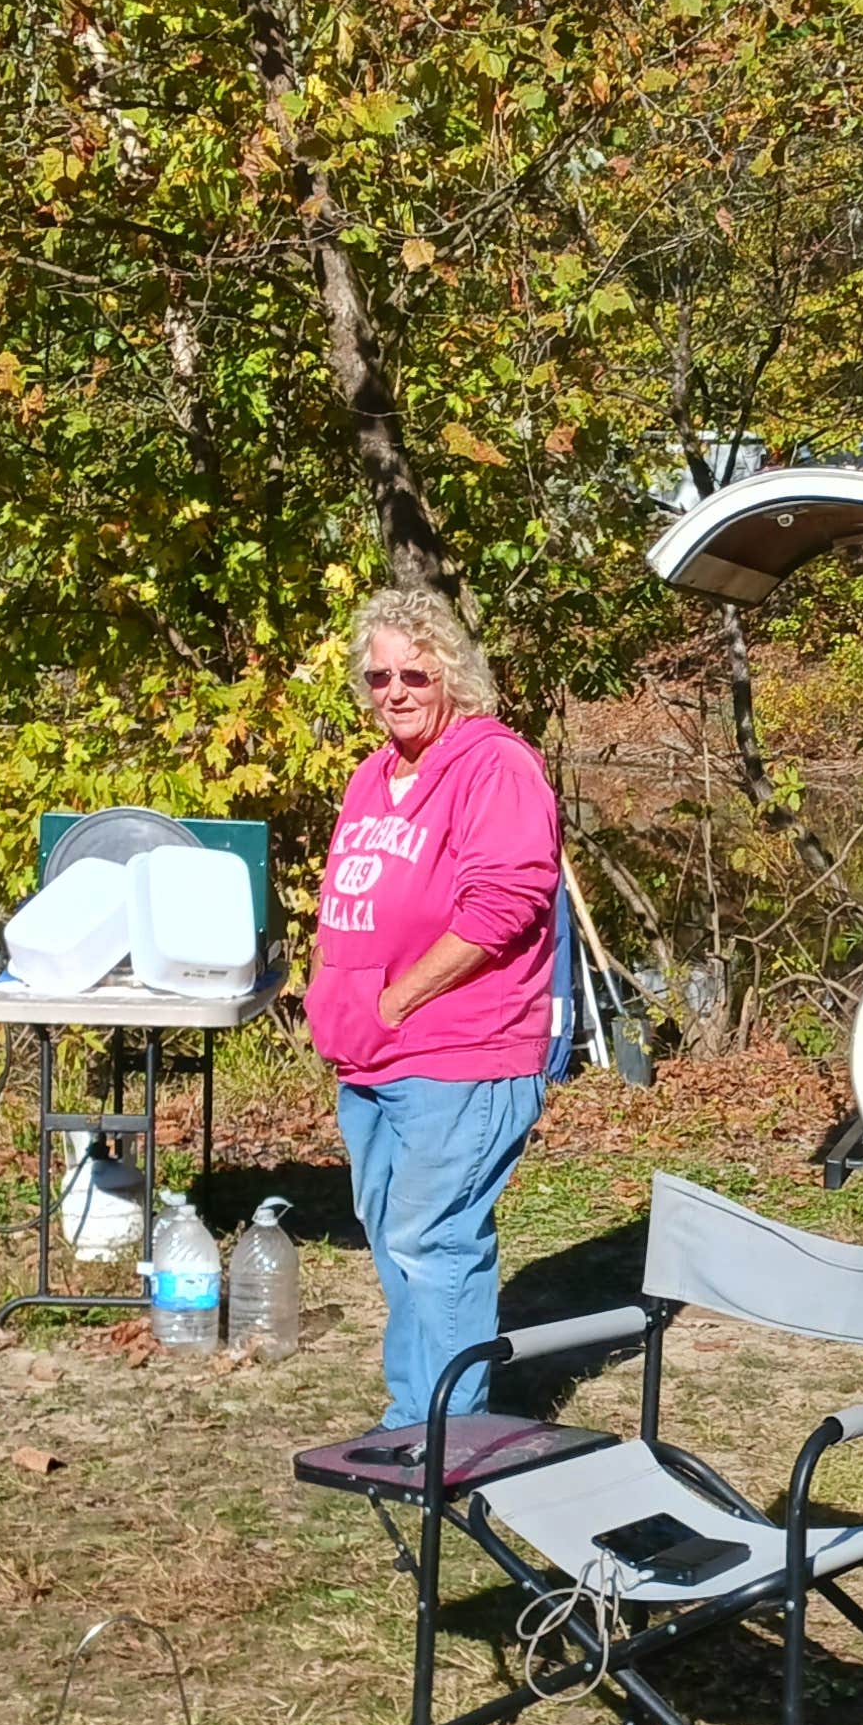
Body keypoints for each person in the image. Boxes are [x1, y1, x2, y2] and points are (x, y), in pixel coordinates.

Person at [307, 586, 562, 1427]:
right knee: (396, 1246)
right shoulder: (373, 777)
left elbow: (505, 906)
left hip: (461, 1052)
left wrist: (393, 998)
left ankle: (445, 1432)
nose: (396, 691)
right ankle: (413, 1414)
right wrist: (343, 1003)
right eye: (378, 677)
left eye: (414, 672)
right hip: (371, 1057)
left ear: (450, 672)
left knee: (434, 1240)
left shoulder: (494, 765)